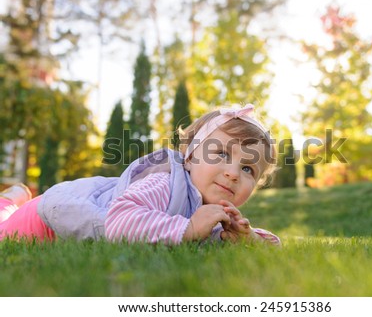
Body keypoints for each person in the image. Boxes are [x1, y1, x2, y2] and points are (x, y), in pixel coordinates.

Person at [0, 104, 280, 245]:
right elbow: (120, 220)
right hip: (43, 220)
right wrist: (188, 230)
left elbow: (274, 245)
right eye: (221, 154)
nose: (233, 173)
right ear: (191, 156)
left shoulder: (219, 211)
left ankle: (14, 199)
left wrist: (248, 240)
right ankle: (11, 200)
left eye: (247, 169)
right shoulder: (165, 183)